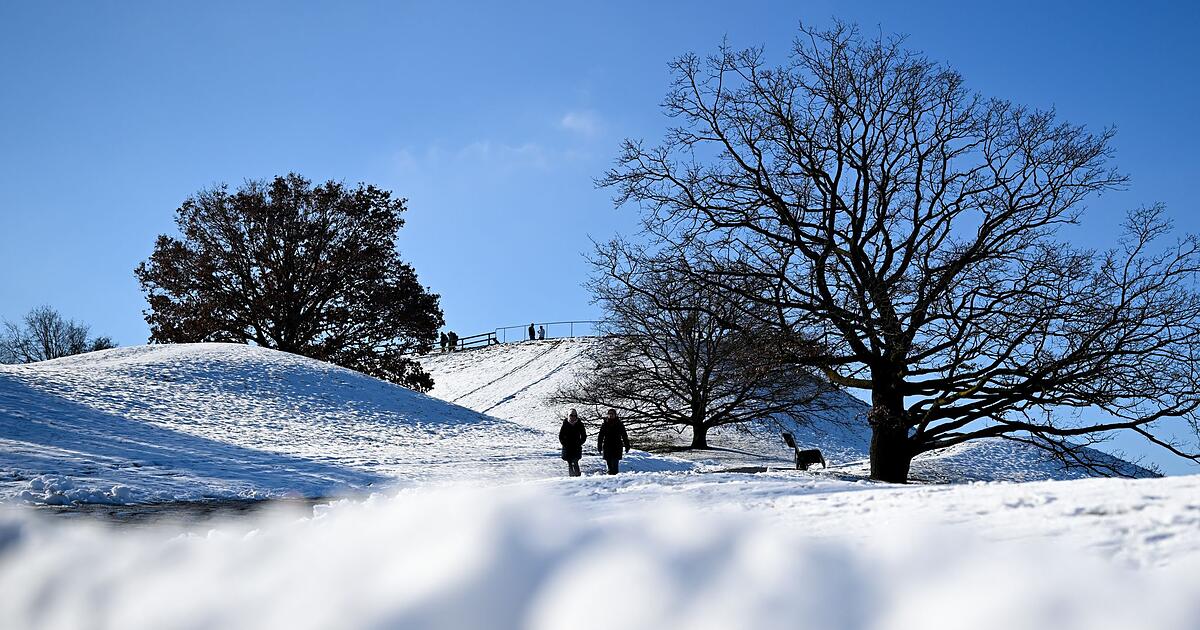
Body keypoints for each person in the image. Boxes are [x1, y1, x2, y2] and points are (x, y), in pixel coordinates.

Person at [596, 408, 630, 475]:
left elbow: (624, 436)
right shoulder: (604, 424)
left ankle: (615, 478)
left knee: (615, 465)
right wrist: (599, 446)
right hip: (607, 446)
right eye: (609, 414)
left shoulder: (619, 424)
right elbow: (600, 436)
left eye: (612, 414)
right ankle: (610, 477)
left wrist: (627, 445)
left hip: (617, 446)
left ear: (615, 415)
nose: (611, 415)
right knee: (609, 466)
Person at [558, 408, 587, 477]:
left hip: (576, 447)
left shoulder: (579, 424)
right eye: (571, 415)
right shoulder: (565, 424)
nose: (573, 417)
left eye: (574, 415)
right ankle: (572, 477)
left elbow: (584, 435)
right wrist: (564, 444)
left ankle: (577, 476)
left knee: (575, 461)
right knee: (570, 463)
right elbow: (561, 436)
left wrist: (580, 443)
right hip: (567, 447)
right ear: (568, 416)